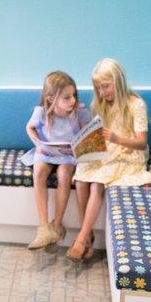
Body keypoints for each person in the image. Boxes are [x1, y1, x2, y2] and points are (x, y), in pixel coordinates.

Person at [67, 58, 151, 262]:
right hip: (109, 149)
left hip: (129, 152)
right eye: (98, 88)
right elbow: (100, 132)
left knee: (97, 183)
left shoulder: (136, 104)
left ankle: (81, 238)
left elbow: (141, 143)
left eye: (105, 86)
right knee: (80, 178)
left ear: (119, 81)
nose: (102, 92)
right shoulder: (102, 103)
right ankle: (87, 234)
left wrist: (115, 138)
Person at [22, 71, 91, 250]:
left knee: (64, 173)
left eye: (73, 95)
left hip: (68, 155)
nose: (72, 101)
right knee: (38, 172)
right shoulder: (42, 112)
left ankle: (57, 225)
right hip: (46, 152)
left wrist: (82, 144)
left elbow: (89, 135)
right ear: (52, 98)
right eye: (67, 97)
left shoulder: (80, 112)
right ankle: (44, 227)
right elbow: (29, 127)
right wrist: (37, 143)